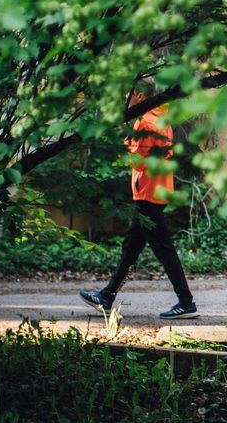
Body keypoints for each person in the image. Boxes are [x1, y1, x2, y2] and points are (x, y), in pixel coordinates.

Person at [80, 77, 197, 319]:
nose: (126, 98)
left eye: (129, 93)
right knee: (131, 248)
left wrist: (127, 142)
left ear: (141, 96)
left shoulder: (145, 122)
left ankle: (186, 302)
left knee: (164, 250)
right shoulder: (160, 118)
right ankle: (107, 295)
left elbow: (137, 161)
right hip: (156, 191)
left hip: (148, 193)